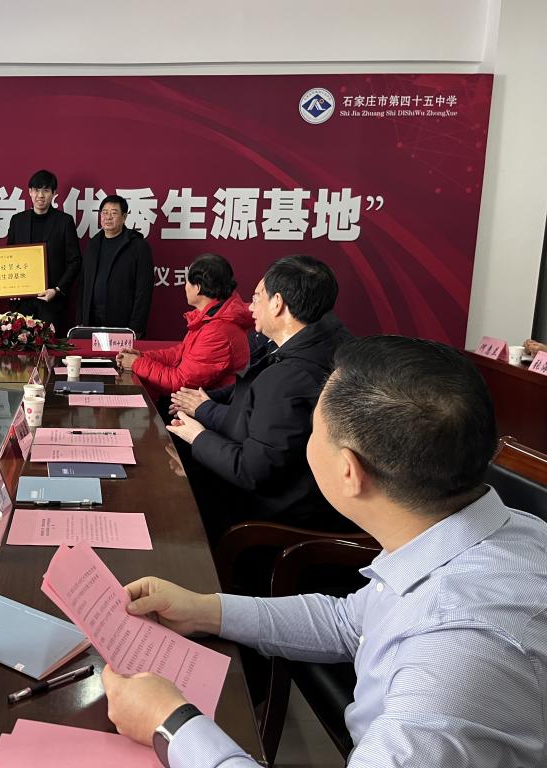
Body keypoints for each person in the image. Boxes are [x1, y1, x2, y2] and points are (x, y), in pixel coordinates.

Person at [101, 336, 547, 767]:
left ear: (349, 470)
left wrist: (170, 723)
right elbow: (349, 621)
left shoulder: (456, 656)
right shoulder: (502, 532)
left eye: (314, 430)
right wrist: (205, 610)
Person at [166, 255, 351, 538]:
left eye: (256, 298)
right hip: (309, 496)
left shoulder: (290, 377)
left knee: (172, 499)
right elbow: (253, 398)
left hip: (276, 518)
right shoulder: (328, 340)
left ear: (277, 303)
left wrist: (197, 436)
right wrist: (206, 404)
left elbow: (253, 471)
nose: (250, 307)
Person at [116, 253, 252, 398]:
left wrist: (136, 363)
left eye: (187, 282)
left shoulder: (218, 331)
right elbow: (181, 353)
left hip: (207, 405)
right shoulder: (212, 316)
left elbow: (181, 381)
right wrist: (142, 356)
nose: (184, 287)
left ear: (198, 287)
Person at [6, 170, 81, 334]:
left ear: (54, 193)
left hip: (52, 301)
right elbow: (9, 257)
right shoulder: (17, 220)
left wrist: (57, 289)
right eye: (36, 190)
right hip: (22, 302)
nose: (40, 195)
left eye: (46, 190)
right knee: (19, 346)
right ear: (30, 192)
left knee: (50, 346)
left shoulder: (64, 221)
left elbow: (75, 261)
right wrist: (10, 289)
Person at [77, 195, 154, 337]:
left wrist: (136, 327)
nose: (108, 217)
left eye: (114, 213)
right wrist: (81, 320)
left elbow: (144, 291)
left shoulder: (138, 247)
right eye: (104, 212)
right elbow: (83, 285)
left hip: (123, 320)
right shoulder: (93, 245)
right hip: (92, 319)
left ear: (124, 217)